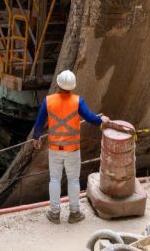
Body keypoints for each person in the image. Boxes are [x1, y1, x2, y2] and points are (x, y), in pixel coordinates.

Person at [32, 70, 108, 224]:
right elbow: (91, 118)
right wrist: (102, 120)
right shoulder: (77, 101)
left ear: (58, 84)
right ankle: (74, 213)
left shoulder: (48, 101)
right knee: (73, 180)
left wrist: (36, 137)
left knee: (54, 179)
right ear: (72, 86)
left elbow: (39, 123)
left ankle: (54, 213)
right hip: (72, 149)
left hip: (54, 149)